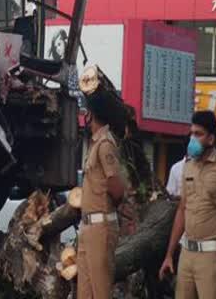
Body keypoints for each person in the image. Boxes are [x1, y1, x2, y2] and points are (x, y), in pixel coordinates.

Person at [159, 111, 216, 298]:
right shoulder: (188, 167)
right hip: (186, 253)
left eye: (199, 134)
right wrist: (169, 254)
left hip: (211, 255)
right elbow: (182, 209)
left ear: (211, 139)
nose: (193, 139)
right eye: (192, 133)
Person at [76, 91, 127, 299]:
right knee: (85, 292)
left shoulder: (105, 144)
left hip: (101, 227)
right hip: (88, 226)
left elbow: (117, 189)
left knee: (100, 291)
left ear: (90, 114)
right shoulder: (95, 143)